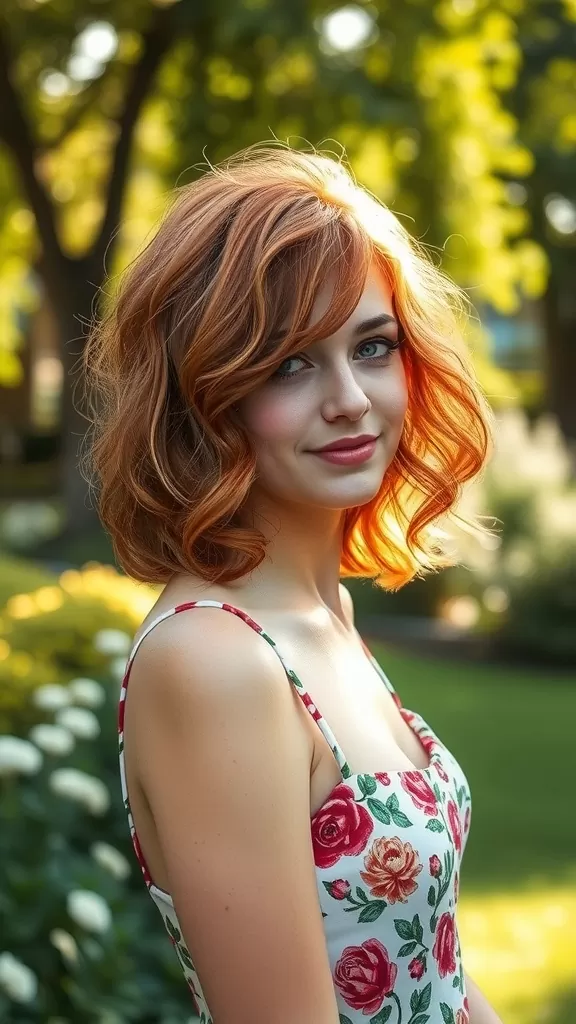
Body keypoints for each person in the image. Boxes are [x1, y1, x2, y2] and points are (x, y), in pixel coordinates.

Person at [85, 144, 503, 1024]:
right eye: (289, 363)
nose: (350, 398)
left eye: (373, 346)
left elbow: (431, 964)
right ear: (203, 393)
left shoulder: (320, 611)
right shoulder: (215, 661)